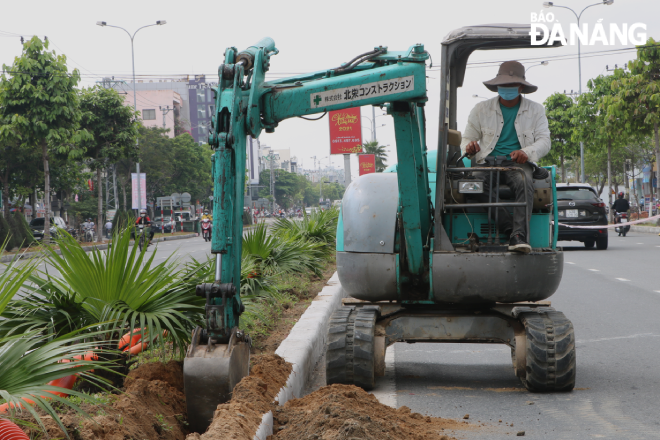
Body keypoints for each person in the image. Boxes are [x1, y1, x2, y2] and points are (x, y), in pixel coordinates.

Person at [461, 60, 551, 253]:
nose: (507, 88)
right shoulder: (480, 109)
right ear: (497, 86)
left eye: (511, 85)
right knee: (470, 186)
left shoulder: (536, 110)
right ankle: (510, 227)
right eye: (503, 85)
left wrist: (525, 152)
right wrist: (469, 147)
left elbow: (544, 142)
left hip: (517, 164)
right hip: (487, 163)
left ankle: (519, 236)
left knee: (524, 182)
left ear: (520, 87)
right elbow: (467, 138)